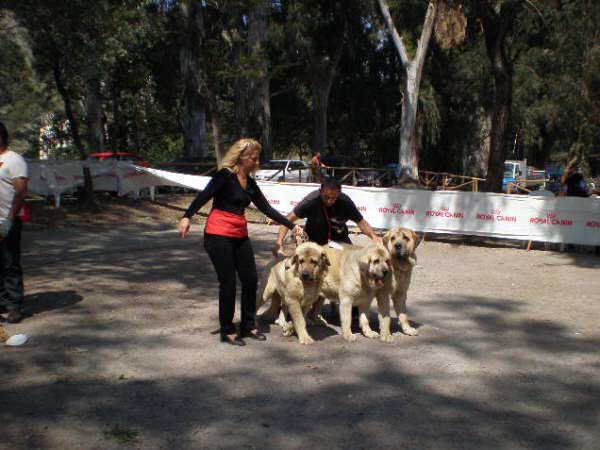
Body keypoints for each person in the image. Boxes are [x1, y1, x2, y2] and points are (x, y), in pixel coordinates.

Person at [178, 138, 303, 346]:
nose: (257, 162)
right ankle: (227, 330)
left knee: (250, 279)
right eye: (253, 158)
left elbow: (267, 209)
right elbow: (204, 196)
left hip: (239, 233)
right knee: (227, 282)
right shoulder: (224, 176)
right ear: (242, 157)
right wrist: (186, 216)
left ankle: (247, 324)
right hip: (218, 234)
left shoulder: (250, 183)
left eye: (257, 158)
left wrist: (292, 225)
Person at [273, 176, 380, 256]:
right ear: (320, 192)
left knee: (356, 261)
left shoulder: (345, 202)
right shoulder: (311, 201)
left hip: (340, 242)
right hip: (314, 243)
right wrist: (279, 243)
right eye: (326, 197)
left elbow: (361, 223)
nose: (329, 201)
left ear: (339, 194)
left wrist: (374, 237)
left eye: (333, 198)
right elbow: (288, 219)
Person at [0, 122, 28, 324]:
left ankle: (14, 306)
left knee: (10, 263)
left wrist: (10, 218)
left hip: (7, 219)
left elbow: (20, 191)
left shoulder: (14, 160)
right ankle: (2, 301)